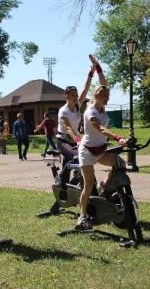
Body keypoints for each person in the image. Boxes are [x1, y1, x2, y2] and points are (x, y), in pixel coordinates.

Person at [76, 85, 128, 230]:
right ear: (96, 96)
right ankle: (82, 217)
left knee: (120, 164)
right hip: (87, 151)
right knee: (88, 185)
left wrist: (98, 69)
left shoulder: (102, 110)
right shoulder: (90, 111)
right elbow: (101, 129)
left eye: (108, 95)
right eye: (104, 95)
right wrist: (118, 138)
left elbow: (103, 82)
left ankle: (104, 184)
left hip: (100, 150)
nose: (107, 98)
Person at [56, 54, 102, 188]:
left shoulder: (77, 106)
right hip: (63, 140)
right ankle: (62, 177)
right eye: (72, 96)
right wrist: (77, 140)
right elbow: (68, 128)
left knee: (72, 159)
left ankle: (65, 184)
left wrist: (92, 72)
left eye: (76, 95)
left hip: (75, 140)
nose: (76, 97)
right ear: (66, 97)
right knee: (76, 157)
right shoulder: (63, 111)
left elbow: (86, 88)